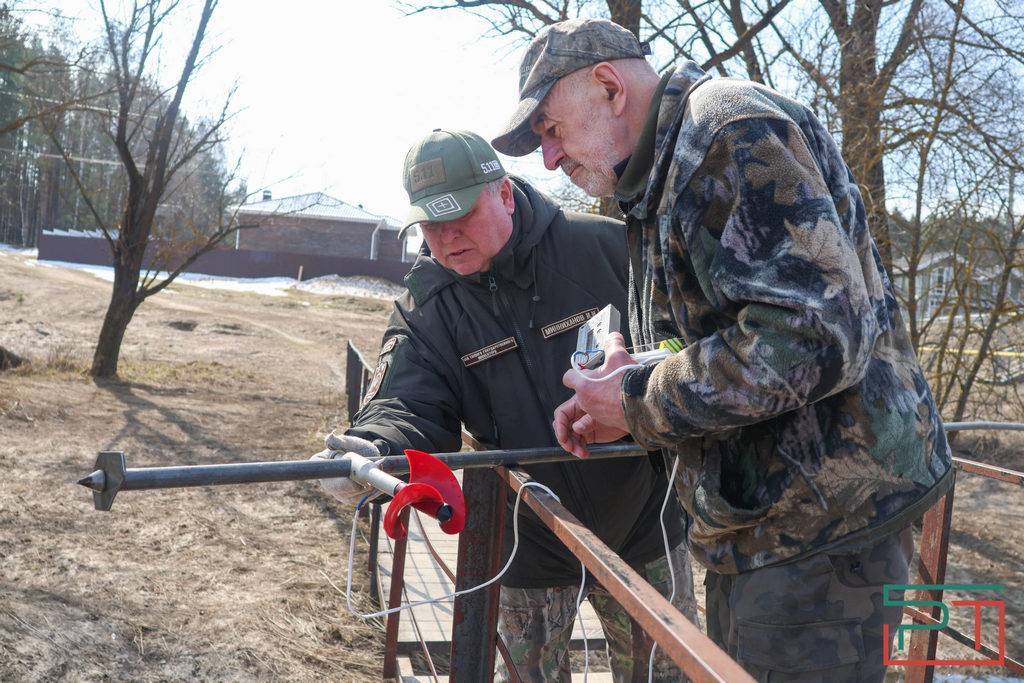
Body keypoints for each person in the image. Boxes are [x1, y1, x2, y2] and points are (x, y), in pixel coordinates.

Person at [491, 19, 954, 682]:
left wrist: (634, 399)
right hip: (766, 530)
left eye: (550, 128)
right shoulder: (662, 171)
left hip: (821, 535)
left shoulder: (727, 136)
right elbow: (726, 333)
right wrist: (628, 384)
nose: (549, 159)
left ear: (608, 87)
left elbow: (814, 336)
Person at [317, 128, 697, 682]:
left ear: (504, 194)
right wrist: (376, 451)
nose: (445, 240)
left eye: (460, 218)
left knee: (671, 676)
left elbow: (686, 340)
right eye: (429, 225)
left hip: (645, 524)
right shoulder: (428, 307)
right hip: (525, 542)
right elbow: (408, 404)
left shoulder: (604, 249)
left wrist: (643, 381)